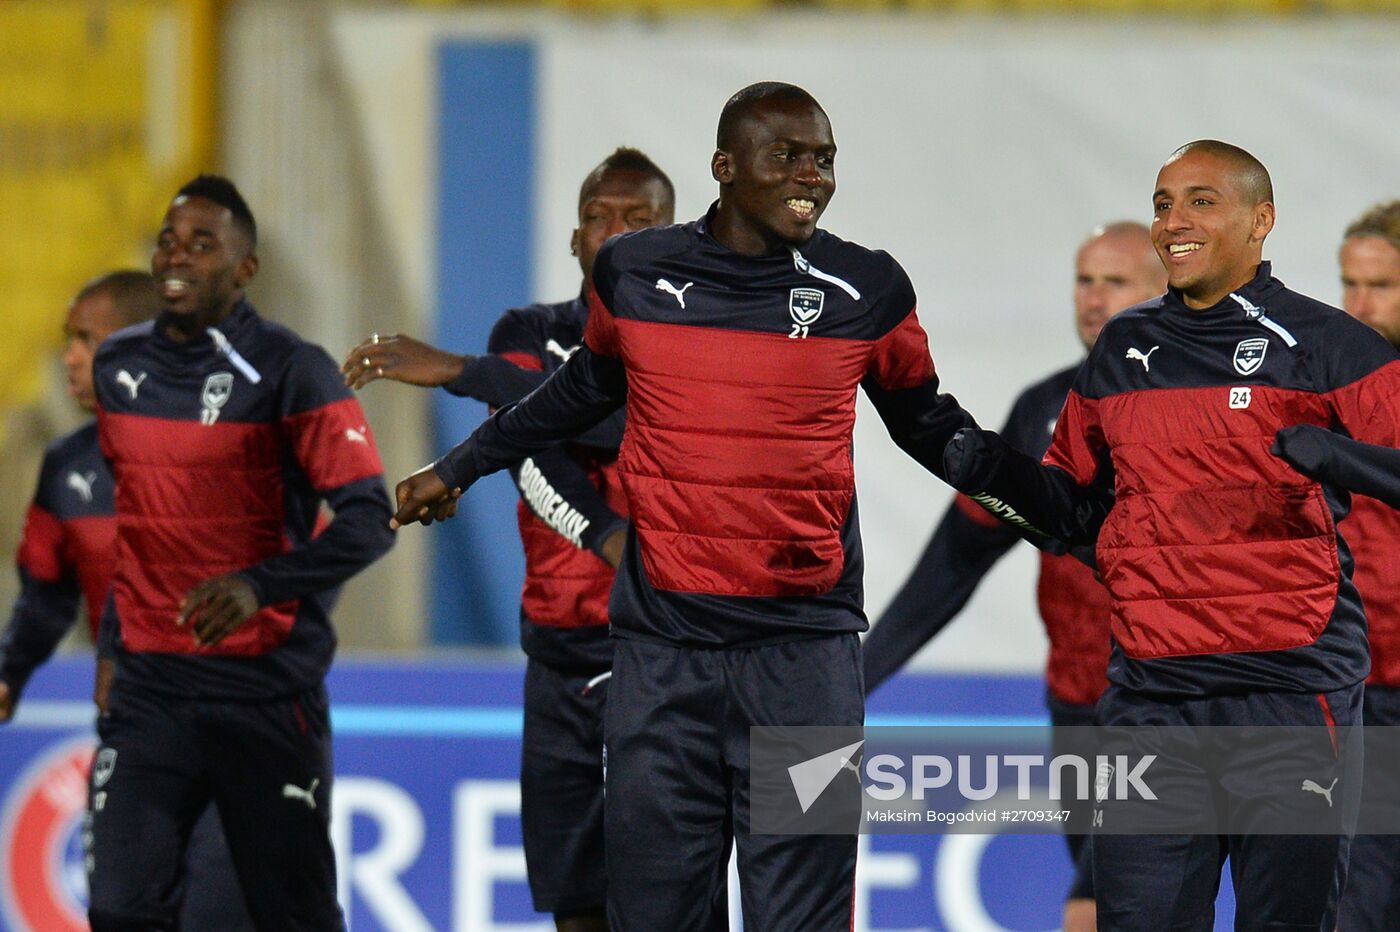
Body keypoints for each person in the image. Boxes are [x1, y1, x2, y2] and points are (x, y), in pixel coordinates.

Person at [391, 81, 979, 931]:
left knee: (806, 915)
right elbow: (570, 400)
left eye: (824, 158)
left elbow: (934, 428)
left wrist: (1046, 503)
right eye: (789, 155)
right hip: (656, 654)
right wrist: (459, 465)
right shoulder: (622, 294)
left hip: (806, 661)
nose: (811, 174)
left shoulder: (865, 290)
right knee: (638, 910)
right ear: (725, 169)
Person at [944, 141, 1400, 930]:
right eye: (1162, 203)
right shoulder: (1122, 351)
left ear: (1262, 220)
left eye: (1200, 200)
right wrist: (989, 468)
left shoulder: (1328, 345)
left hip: (1289, 696)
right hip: (1151, 699)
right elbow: (1073, 515)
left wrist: (1340, 457)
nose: (1173, 221)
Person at [341, 147, 675, 932]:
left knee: (677, 896)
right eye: (597, 218)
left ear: (673, 236)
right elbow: (529, 448)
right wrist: (605, 536)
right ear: (573, 241)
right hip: (557, 657)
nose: (614, 234)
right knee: (575, 904)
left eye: (638, 220)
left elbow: (633, 421)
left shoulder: (690, 345)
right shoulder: (528, 332)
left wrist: (467, 370)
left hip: (661, 654)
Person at [84, 175, 395, 931]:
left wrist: (261, 586)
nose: (176, 256)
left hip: (263, 697)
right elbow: (144, 524)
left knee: (276, 916)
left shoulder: (293, 370)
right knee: (120, 909)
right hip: (150, 694)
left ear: (244, 268)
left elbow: (368, 519)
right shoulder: (117, 369)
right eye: (168, 240)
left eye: (201, 243)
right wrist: (113, 642)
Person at [862, 221, 1165, 931]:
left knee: (1095, 908)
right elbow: (959, 557)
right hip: (1076, 704)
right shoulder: (1043, 409)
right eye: (1083, 279)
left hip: (1170, 704)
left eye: (1114, 281)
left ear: (1160, 290)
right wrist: (856, 674)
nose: (1093, 298)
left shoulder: (1205, 402)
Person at [0, 270, 255, 931]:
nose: (69, 357)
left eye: (87, 339)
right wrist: (12, 670)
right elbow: (46, 594)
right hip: (133, 737)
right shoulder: (67, 467)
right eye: (68, 340)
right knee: (118, 912)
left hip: (236, 737)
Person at [1332, 200, 1400, 931]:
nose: (1358, 305)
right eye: (1348, 284)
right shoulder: (1331, 389)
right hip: (1367, 695)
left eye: (1379, 286)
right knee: (1360, 906)